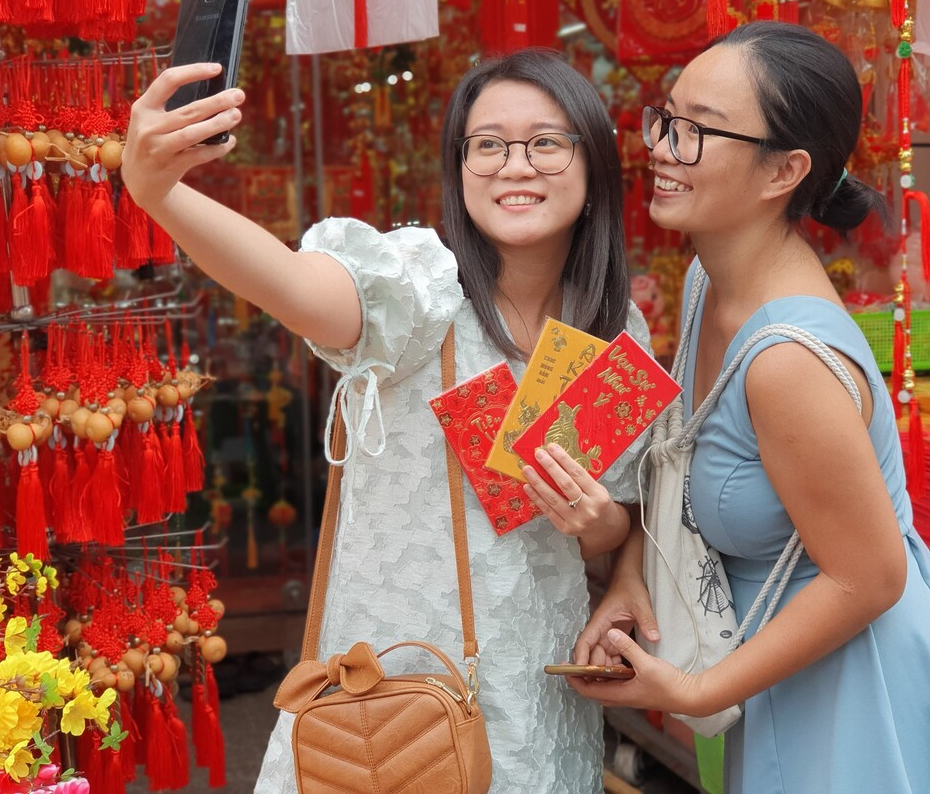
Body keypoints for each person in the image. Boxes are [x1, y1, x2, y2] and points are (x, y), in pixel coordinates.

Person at [121, 49, 651, 792]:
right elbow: (299, 287)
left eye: (546, 143)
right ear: (460, 167)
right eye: (488, 144)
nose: (515, 165)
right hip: (400, 696)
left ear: (593, 164)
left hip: (540, 690)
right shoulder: (422, 285)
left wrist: (594, 520)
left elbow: (611, 525)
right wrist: (161, 194)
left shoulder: (615, 331)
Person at [558, 22, 930, 793]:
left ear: (785, 171)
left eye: (698, 131)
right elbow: (676, 458)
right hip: (785, 672)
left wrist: (699, 692)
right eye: (667, 118)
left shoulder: (784, 361)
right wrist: (630, 575)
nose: (664, 147)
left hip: (861, 691)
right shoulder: (711, 281)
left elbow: (871, 577)